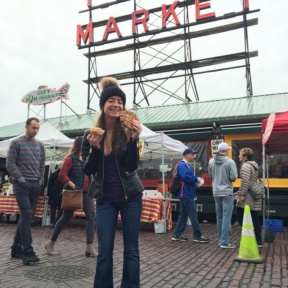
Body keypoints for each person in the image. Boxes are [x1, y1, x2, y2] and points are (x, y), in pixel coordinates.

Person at [81, 76, 144, 288]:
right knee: (105, 251)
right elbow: (87, 170)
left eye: (120, 101)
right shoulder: (89, 135)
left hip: (131, 198)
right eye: (112, 101)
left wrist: (134, 140)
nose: (116, 105)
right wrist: (96, 149)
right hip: (105, 199)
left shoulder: (127, 131)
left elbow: (131, 167)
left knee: (131, 250)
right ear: (103, 104)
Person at [45, 136, 97, 257]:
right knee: (65, 218)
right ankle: (52, 242)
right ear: (82, 145)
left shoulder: (87, 159)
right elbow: (62, 175)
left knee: (91, 217)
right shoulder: (71, 158)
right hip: (73, 193)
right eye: (87, 144)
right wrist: (74, 186)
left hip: (86, 193)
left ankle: (90, 246)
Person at [6, 117, 45, 264]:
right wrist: (21, 179)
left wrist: (40, 181)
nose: (35, 131)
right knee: (27, 214)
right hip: (21, 185)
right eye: (33, 128)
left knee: (26, 215)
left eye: (37, 128)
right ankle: (27, 250)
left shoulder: (40, 145)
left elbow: (42, 164)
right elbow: (10, 164)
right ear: (26, 127)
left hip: (35, 185)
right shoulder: (16, 142)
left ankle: (16, 247)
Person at [172, 148, 209, 243]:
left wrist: (194, 179)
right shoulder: (184, 165)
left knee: (183, 215)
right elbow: (186, 177)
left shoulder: (183, 165)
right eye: (192, 154)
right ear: (187, 155)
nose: (194, 156)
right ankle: (197, 235)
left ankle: (177, 234)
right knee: (192, 214)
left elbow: (185, 177)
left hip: (185, 193)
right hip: (186, 193)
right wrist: (196, 180)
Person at [208, 142, 238, 248]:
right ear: (226, 150)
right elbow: (234, 177)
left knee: (219, 216)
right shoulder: (230, 162)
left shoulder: (211, 161)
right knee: (226, 217)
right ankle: (224, 242)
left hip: (216, 191)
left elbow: (210, 175)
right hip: (226, 192)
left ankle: (221, 239)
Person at [235, 148, 263, 247]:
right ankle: (258, 240)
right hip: (253, 194)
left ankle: (248, 237)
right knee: (254, 216)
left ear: (245, 156)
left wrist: (240, 195)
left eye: (240, 154)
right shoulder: (253, 165)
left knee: (240, 214)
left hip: (248, 196)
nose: (239, 156)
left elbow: (245, 182)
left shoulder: (246, 166)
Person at [46, 163, 64, 228]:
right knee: (60, 209)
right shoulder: (65, 175)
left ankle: (52, 222)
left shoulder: (53, 174)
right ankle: (58, 223)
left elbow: (49, 185)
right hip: (62, 193)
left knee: (53, 209)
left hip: (53, 192)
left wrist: (48, 194)